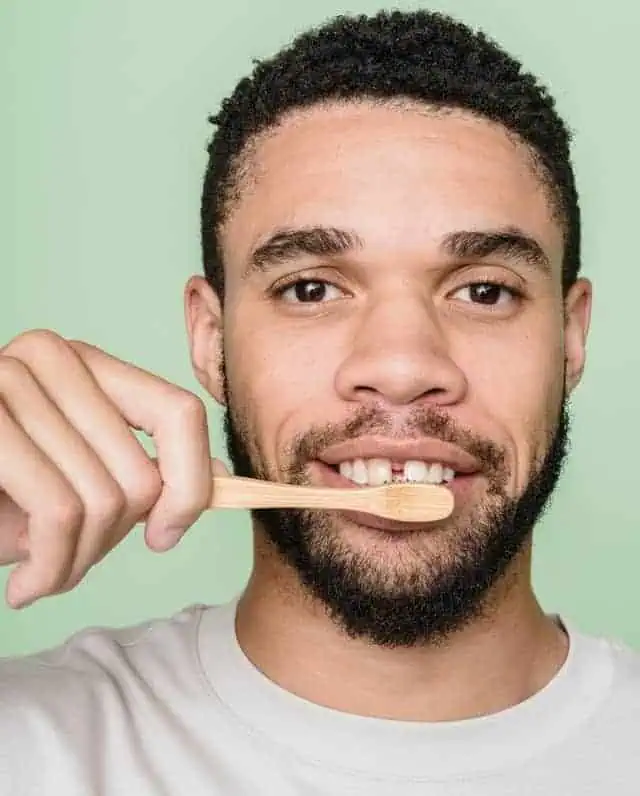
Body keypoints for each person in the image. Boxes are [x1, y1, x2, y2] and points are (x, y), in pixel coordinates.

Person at [0, 8, 638, 795]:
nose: (403, 367)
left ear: (571, 339)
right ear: (211, 339)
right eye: (311, 289)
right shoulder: (29, 749)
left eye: (484, 291)